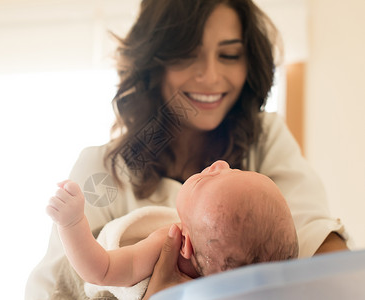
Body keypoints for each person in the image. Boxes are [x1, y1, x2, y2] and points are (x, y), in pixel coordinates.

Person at [25, 0, 349, 299]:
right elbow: (56, 286)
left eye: (229, 55)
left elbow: (316, 240)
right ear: (154, 63)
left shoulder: (265, 138)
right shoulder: (103, 169)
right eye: (187, 54)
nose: (209, 76)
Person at [46, 160, 298, 299]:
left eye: (203, 180)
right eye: (236, 169)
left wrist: (72, 223)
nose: (219, 164)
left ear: (184, 242)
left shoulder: (165, 243)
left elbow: (102, 270)